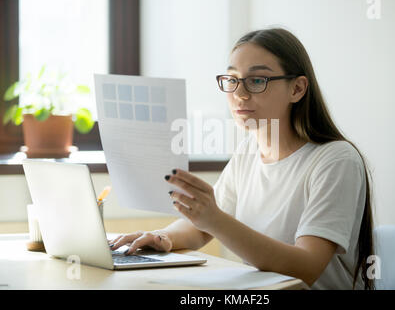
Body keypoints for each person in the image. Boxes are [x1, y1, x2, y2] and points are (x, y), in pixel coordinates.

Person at [109, 28, 375, 290]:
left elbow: (305, 267)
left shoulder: (336, 161)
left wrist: (214, 219)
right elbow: (201, 228)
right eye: (232, 79)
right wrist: (160, 238)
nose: (240, 94)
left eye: (257, 80)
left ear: (297, 89)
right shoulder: (249, 152)